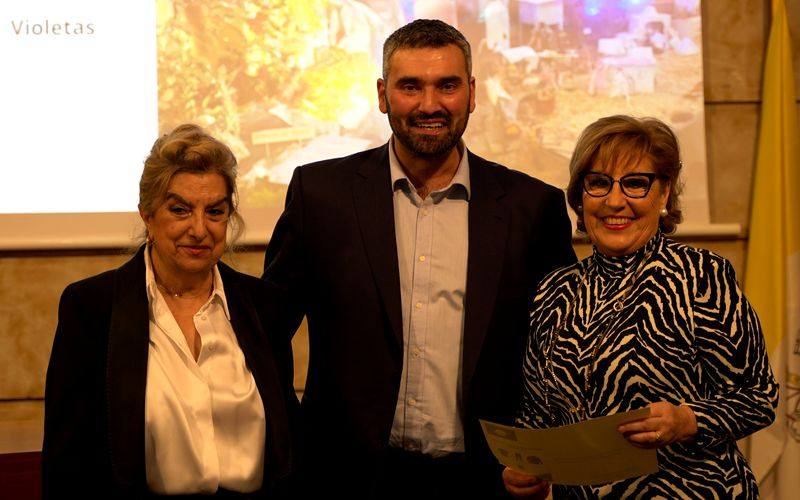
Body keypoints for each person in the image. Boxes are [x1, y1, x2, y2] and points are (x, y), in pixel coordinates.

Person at [262, 19, 576, 499]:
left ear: (471, 93)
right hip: (346, 478)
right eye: (411, 86)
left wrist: (547, 455)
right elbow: (268, 330)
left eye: (446, 85)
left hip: (489, 481)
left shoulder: (532, 208)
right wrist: (289, 437)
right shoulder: (319, 195)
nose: (430, 104)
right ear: (384, 95)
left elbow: (562, 356)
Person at [502, 115, 778, 498]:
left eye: (635, 183)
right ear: (580, 197)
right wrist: (525, 470)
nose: (616, 201)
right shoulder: (554, 291)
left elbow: (759, 396)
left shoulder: (701, 277)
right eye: (599, 183)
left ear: (663, 195)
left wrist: (687, 420)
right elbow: (537, 414)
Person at [42, 124, 299, 498]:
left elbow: (286, 444)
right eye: (179, 209)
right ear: (147, 214)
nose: (199, 229)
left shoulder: (264, 307)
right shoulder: (92, 309)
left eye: (215, 211)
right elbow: (68, 464)